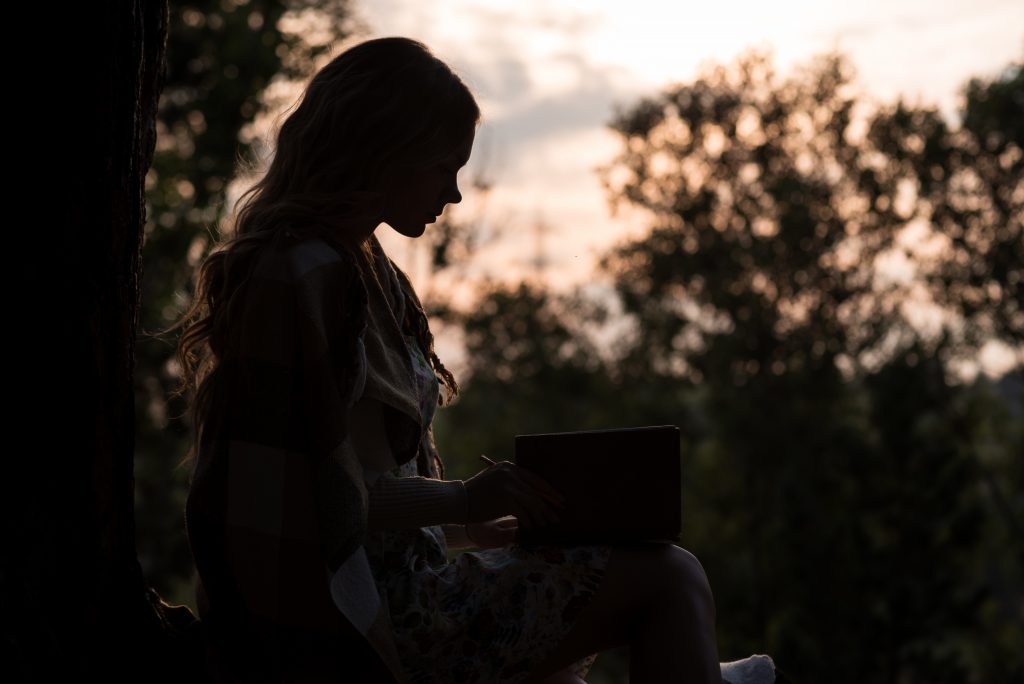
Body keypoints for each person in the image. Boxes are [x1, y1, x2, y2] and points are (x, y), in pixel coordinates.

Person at [172, 36, 779, 684]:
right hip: (370, 622)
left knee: (652, 561)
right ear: (384, 151)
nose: (454, 194)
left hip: (407, 589)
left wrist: (466, 527)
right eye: (442, 168)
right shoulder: (303, 277)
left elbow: (359, 495)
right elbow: (310, 504)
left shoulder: (364, 274)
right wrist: (461, 500)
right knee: (670, 576)